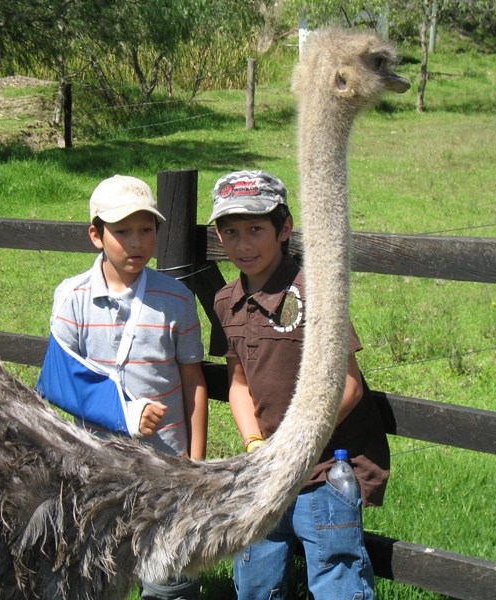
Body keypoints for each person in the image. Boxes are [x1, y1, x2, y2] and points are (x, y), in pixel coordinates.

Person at [208, 170, 390, 600]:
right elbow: (238, 381)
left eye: (256, 229)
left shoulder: (315, 293)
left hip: (323, 470)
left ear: (284, 228)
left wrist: (294, 444)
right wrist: (255, 444)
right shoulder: (225, 301)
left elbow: (348, 386)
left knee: (336, 577)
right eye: (231, 232)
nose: (243, 244)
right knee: (254, 578)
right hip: (266, 470)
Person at [36, 174, 207, 600]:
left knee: (169, 580)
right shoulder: (71, 296)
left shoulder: (177, 299)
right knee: (93, 571)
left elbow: (193, 380)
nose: (136, 242)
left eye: (146, 229)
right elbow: (60, 379)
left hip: (168, 463)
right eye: (122, 231)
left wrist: (196, 464)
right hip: (93, 465)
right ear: (96, 235)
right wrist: (125, 414)